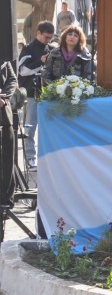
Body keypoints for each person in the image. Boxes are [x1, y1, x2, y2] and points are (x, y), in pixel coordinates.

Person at [16, 21, 53, 168]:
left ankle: (46, 157)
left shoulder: (50, 49)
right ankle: (30, 157)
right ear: (38, 33)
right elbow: (22, 71)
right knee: (30, 127)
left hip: (48, 94)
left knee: (48, 127)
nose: (48, 40)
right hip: (31, 94)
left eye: (50, 38)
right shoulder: (28, 49)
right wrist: (40, 62)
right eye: (46, 37)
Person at [0, 61, 18, 207]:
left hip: (4, 117)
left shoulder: (4, 60)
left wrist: (3, 97)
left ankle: (6, 200)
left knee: (7, 160)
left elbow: (12, 80)